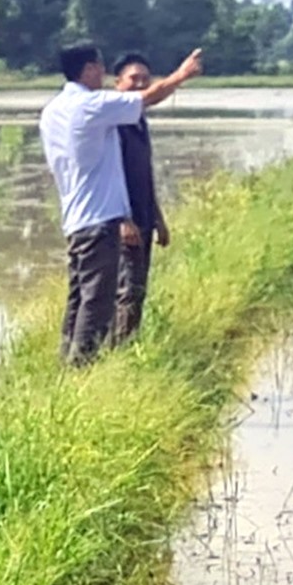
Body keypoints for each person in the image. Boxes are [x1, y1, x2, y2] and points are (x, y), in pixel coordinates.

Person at [40, 43, 202, 366]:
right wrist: (182, 75)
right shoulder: (91, 106)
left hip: (76, 218)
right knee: (98, 303)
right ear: (88, 70)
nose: (103, 73)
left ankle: (65, 365)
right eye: (100, 67)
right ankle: (80, 372)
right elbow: (148, 98)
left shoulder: (52, 111)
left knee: (79, 298)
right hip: (99, 219)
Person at [109, 53, 169, 345]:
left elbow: (144, 175)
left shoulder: (138, 121)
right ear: (117, 83)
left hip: (144, 217)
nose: (141, 84)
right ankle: (118, 354)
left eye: (146, 79)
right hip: (124, 221)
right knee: (126, 290)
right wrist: (122, 220)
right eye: (134, 78)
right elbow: (110, 178)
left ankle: (128, 346)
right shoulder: (113, 125)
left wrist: (159, 219)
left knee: (138, 288)